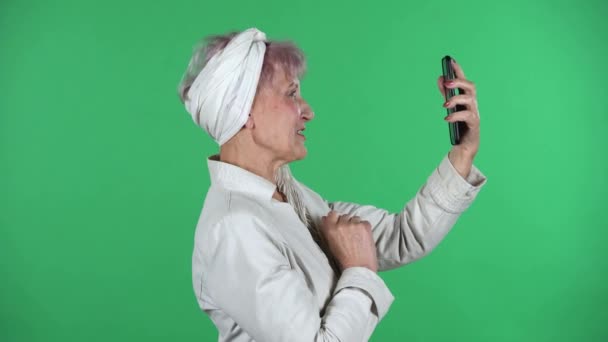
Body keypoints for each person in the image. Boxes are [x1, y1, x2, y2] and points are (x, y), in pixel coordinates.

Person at [177, 27, 487, 342]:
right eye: (291, 93)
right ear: (245, 112)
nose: (307, 111)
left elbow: (402, 236)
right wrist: (360, 270)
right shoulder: (234, 228)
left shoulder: (291, 197)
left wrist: (463, 153)